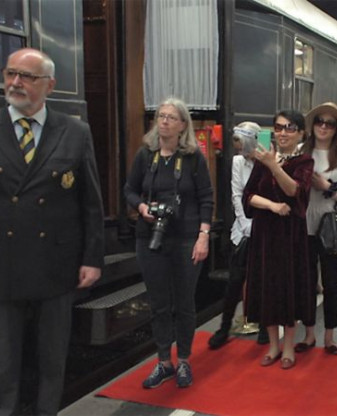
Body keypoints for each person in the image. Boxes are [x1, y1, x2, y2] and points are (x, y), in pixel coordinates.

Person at [0, 48, 104, 415]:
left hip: (57, 263)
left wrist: (92, 258)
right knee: (0, 363)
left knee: (52, 359)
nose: (15, 82)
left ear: (50, 85)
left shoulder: (75, 131)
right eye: (10, 73)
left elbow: (90, 203)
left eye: (27, 76)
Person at [124, 97, 214, 389]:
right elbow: (129, 189)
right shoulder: (145, 155)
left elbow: (206, 198)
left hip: (187, 238)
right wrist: (141, 208)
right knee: (159, 304)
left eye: (170, 117)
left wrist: (203, 236)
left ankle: (184, 359)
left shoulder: (193, 158)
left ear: (182, 125)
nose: (164, 121)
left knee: (184, 303)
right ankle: (164, 361)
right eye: (161, 116)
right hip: (150, 238)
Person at [243, 110, 314, 370]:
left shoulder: (304, 161)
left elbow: (294, 191)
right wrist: (272, 206)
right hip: (264, 234)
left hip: (290, 236)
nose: (283, 133)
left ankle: (288, 346)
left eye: (290, 128)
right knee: (267, 289)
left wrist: (274, 166)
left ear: (301, 133)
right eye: (279, 127)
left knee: (288, 288)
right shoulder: (263, 159)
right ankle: (273, 345)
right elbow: (248, 195)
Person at [295, 103, 337, 356]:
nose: (323, 127)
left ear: (336, 128)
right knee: (306, 282)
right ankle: (309, 334)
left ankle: (329, 336)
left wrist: (327, 187)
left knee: (331, 282)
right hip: (301, 225)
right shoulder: (300, 151)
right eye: (319, 121)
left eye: (329, 123)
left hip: (331, 227)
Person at [208, 122, 269, 349]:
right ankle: (224, 327)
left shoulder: (268, 160)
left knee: (263, 280)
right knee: (235, 281)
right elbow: (236, 195)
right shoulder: (237, 162)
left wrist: (257, 226)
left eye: (243, 144)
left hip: (266, 229)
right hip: (243, 230)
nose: (240, 150)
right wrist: (245, 225)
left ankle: (265, 326)